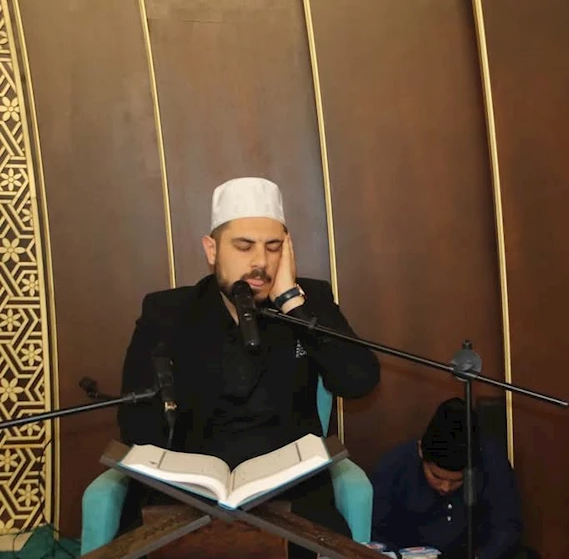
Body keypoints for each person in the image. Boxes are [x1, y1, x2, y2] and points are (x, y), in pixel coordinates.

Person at [116, 177, 380, 558]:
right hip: (190, 498)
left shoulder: (310, 302)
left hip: (292, 500)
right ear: (212, 250)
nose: (260, 262)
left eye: (273, 247)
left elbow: (359, 380)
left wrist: (292, 303)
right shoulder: (167, 312)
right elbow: (134, 422)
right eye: (244, 247)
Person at [371, 398, 536, 559]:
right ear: (421, 451)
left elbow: (506, 525)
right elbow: (376, 532)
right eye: (436, 476)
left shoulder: (490, 459)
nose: (446, 487)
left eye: (457, 480)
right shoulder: (394, 465)